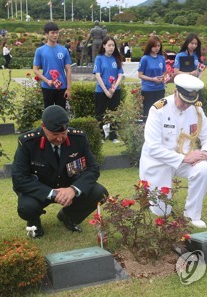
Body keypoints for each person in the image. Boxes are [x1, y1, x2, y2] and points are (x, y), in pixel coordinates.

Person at [11, 105, 108, 238]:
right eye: (55, 134)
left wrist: (73, 189)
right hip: (41, 189)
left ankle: (69, 216)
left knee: (100, 193)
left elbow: (93, 169)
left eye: (63, 133)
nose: (60, 138)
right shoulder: (28, 142)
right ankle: (34, 222)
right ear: (43, 126)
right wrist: (53, 193)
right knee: (27, 207)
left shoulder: (78, 138)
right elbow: (19, 179)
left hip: (68, 186)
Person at [139, 74, 207, 229]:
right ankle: (159, 205)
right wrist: (184, 158)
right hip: (158, 163)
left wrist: (205, 153)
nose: (185, 106)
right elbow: (153, 147)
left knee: (203, 169)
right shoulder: (158, 109)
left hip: (184, 160)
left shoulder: (196, 109)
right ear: (175, 92)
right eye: (183, 101)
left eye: (190, 102)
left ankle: (193, 215)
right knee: (162, 212)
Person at [33, 22, 72, 109]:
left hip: (62, 87)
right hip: (47, 87)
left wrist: (68, 88)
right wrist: (47, 81)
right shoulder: (40, 50)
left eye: (57, 32)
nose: (55, 35)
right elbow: (35, 69)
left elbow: (68, 70)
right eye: (52, 33)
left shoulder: (64, 50)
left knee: (61, 113)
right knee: (48, 113)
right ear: (46, 34)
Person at [93, 36, 124, 143]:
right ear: (104, 46)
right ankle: (101, 135)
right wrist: (106, 91)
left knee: (114, 113)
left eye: (113, 45)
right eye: (109, 45)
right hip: (101, 91)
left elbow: (120, 75)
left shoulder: (116, 58)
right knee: (100, 113)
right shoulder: (99, 58)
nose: (111, 47)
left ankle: (113, 136)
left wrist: (114, 88)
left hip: (115, 90)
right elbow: (97, 75)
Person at [138, 36, 167, 119]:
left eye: (158, 46)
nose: (157, 48)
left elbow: (164, 72)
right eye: (155, 46)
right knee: (148, 113)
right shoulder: (145, 59)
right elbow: (140, 75)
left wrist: (163, 77)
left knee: (160, 113)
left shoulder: (161, 58)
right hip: (148, 90)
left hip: (160, 89)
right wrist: (152, 79)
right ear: (150, 46)